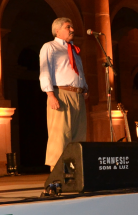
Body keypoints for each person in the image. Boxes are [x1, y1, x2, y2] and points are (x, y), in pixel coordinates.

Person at [39, 17, 89, 171]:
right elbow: (44, 71)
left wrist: (84, 88)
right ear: (57, 30)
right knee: (60, 135)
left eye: (72, 27)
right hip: (61, 93)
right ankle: (57, 173)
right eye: (68, 27)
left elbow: (78, 71)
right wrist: (50, 95)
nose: (72, 30)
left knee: (78, 135)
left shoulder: (74, 49)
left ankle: (74, 172)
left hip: (77, 96)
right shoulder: (50, 47)